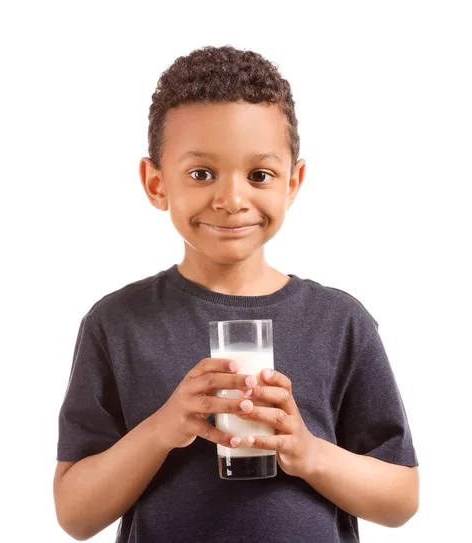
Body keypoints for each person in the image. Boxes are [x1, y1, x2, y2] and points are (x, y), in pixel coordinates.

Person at [53, 44, 419, 543]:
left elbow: (401, 499)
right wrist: (163, 428)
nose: (231, 200)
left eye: (259, 175)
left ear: (293, 182)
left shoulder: (340, 321)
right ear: (156, 183)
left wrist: (307, 452)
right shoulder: (118, 323)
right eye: (201, 173)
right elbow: (75, 515)